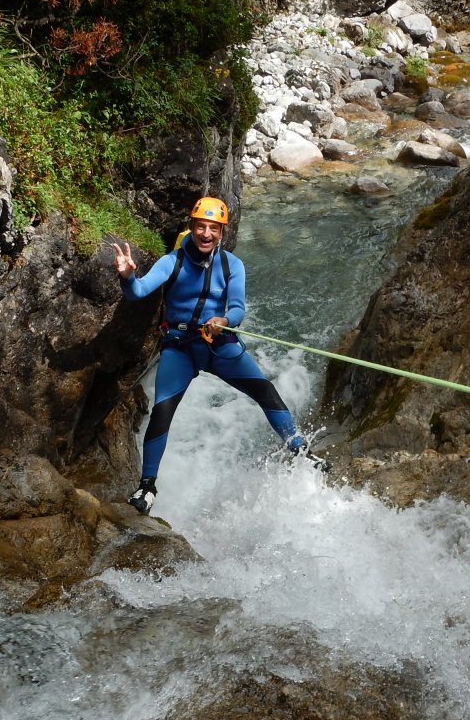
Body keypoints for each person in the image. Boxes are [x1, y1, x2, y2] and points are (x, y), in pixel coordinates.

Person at [111, 196, 325, 514]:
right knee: (161, 413)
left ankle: (299, 450)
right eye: (201, 226)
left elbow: (237, 307)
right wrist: (127, 276)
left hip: (219, 344)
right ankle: (147, 487)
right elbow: (139, 291)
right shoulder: (173, 262)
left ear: (222, 232)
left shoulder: (232, 265)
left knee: (265, 390)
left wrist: (224, 320)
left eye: (213, 228)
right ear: (192, 227)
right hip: (181, 347)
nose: (206, 234)